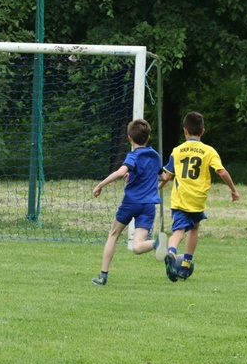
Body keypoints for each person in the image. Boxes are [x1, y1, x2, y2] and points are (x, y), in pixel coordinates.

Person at [159, 111, 239, 281]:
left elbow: (167, 175)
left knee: (178, 231)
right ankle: (186, 264)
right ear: (203, 131)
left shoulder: (178, 150)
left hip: (180, 199)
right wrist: (233, 189)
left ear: (185, 131)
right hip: (197, 199)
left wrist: (155, 189)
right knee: (194, 228)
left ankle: (171, 253)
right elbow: (222, 172)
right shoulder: (208, 151)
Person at [91, 118, 167, 286]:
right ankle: (157, 243)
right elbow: (162, 176)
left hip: (131, 203)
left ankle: (103, 276)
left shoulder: (133, 156)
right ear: (148, 138)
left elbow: (120, 172)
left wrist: (100, 185)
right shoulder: (154, 155)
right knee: (137, 246)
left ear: (130, 139)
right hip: (148, 206)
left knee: (113, 234)